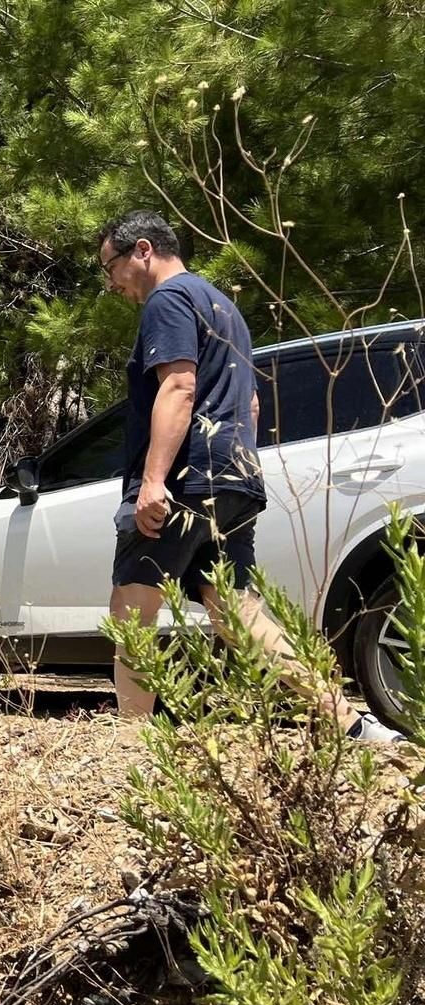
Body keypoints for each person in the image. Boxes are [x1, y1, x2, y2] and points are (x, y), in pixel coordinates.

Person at [97, 209, 402, 742]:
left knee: (130, 609)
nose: (112, 283)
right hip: (235, 478)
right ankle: (352, 727)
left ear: (142, 250)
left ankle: (132, 749)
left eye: (111, 267)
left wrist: (152, 482)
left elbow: (179, 389)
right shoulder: (224, 307)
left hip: (185, 482)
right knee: (242, 618)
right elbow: (253, 405)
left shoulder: (169, 301)